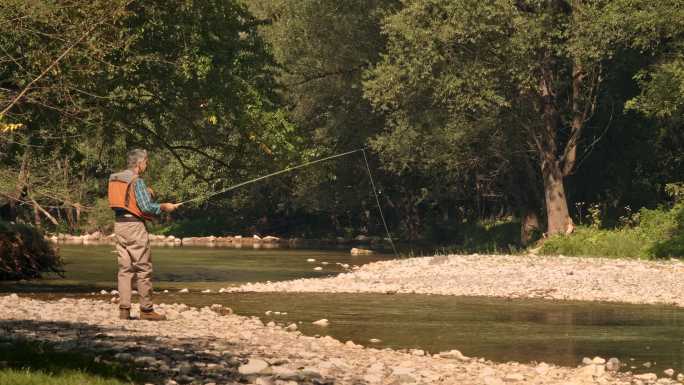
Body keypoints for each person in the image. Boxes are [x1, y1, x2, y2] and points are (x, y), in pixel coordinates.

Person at [107, 149, 180, 321]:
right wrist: (164, 206)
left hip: (119, 225)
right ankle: (146, 310)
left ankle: (124, 310)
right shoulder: (136, 180)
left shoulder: (114, 178)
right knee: (143, 267)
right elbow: (146, 207)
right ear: (140, 163)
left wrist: (145, 191)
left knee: (125, 269)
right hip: (134, 227)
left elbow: (126, 199)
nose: (146, 165)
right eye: (146, 162)